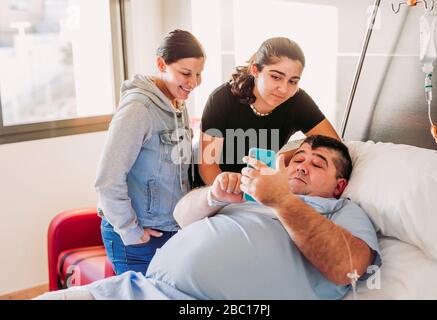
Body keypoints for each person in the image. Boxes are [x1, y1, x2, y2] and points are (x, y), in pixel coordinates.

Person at [38, 136, 381, 300]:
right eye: (297, 158)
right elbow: (181, 216)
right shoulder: (255, 194)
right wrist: (213, 195)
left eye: (317, 163)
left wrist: (281, 201)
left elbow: (347, 268)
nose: (301, 164)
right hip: (139, 290)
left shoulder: (342, 211)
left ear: (339, 186)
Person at [94, 29, 206, 275]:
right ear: (161, 64)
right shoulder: (138, 108)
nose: (194, 83)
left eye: (198, 74)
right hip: (137, 236)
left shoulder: (178, 105)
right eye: (185, 73)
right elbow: (107, 179)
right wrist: (131, 231)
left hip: (170, 230)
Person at [198, 37, 340, 186]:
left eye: (293, 81)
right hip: (216, 186)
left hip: (258, 188)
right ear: (255, 70)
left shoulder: (298, 101)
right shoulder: (222, 99)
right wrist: (229, 200)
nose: (284, 89)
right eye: (276, 77)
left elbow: (334, 145)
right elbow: (208, 166)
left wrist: (284, 158)